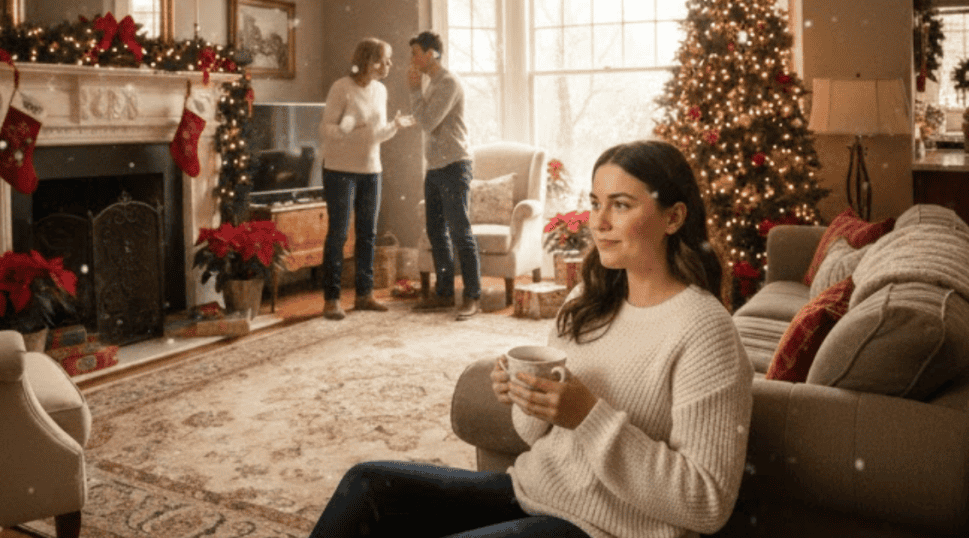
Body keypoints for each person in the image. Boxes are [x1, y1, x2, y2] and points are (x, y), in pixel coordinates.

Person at [306, 140, 754, 538]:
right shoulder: (590, 298)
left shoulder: (705, 331)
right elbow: (530, 437)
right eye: (595, 202)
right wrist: (525, 396)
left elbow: (707, 502)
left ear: (674, 217)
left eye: (621, 205)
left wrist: (588, 417)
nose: (599, 222)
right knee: (366, 485)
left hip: (605, 527)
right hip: (533, 492)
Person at [319, 37, 415, 320]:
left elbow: (376, 135)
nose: (389, 65)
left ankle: (364, 294)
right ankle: (332, 299)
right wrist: (348, 128)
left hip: (371, 170)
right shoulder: (341, 88)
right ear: (369, 61)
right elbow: (326, 129)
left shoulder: (381, 91)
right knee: (337, 235)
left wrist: (393, 126)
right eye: (384, 59)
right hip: (339, 170)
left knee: (368, 234)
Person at [406, 30, 482, 321]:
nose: (412, 60)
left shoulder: (448, 82)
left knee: (460, 231)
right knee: (436, 230)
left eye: (415, 53)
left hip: (454, 166)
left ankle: (473, 296)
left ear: (431, 54)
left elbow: (426, 121)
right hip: (435, 167)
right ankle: (444, 293)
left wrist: (413, 91)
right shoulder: (433, 83)